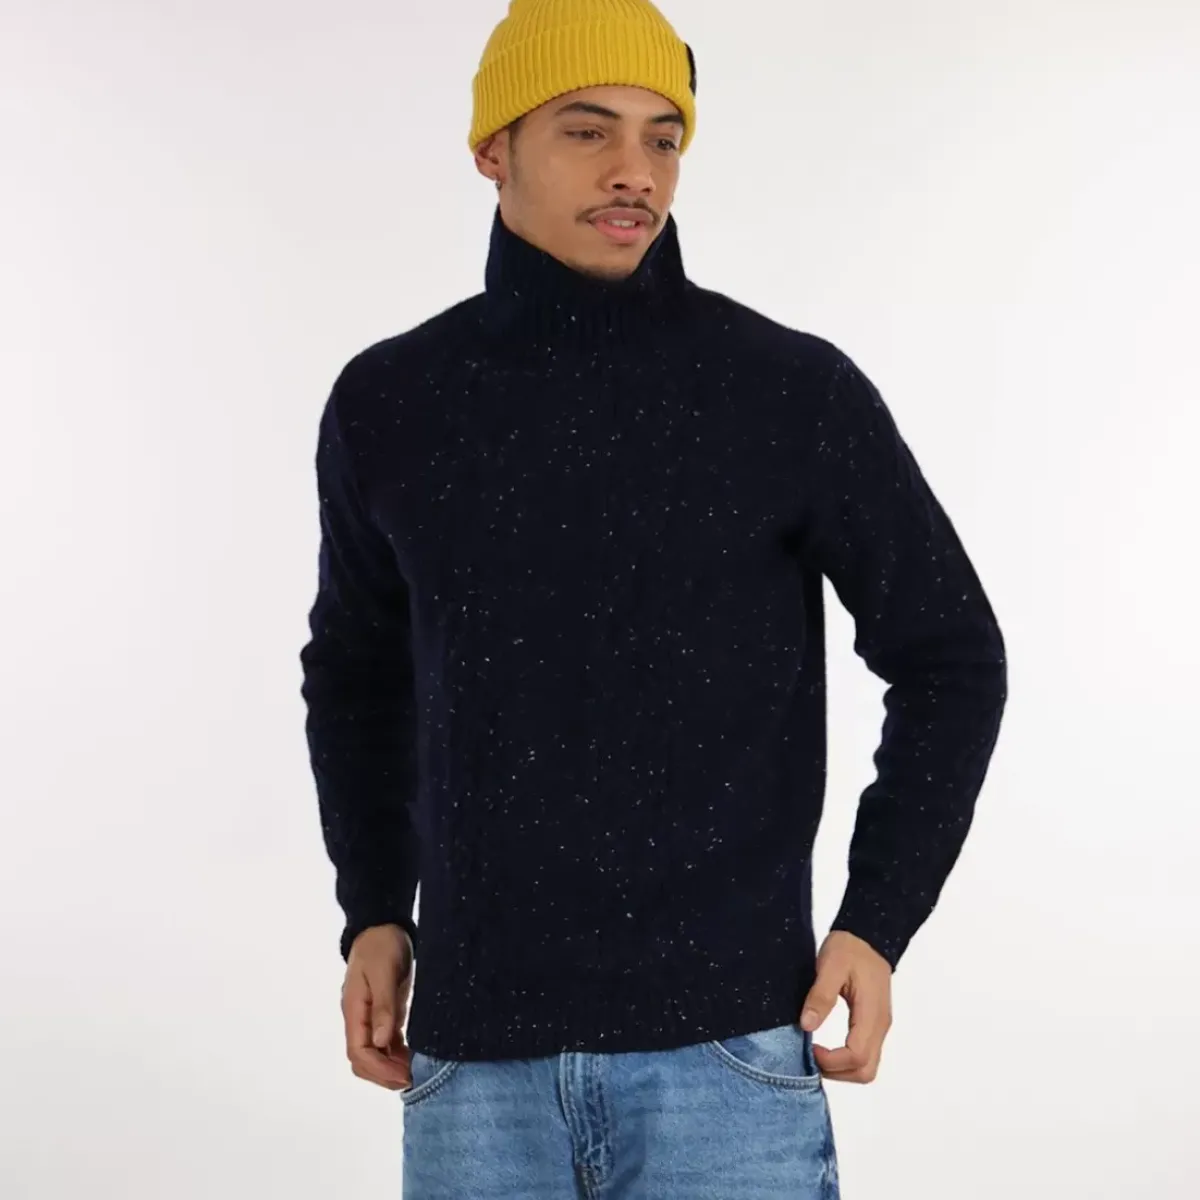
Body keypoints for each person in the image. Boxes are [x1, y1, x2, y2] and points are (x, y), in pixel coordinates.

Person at [298, 0, 1008, 1194]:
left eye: (663, 137)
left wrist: (877, 920)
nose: (636, 171)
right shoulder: (391, 402)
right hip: (474, 1068)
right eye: (588, 131)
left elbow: (950, 656)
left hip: (730, 1059)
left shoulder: (787, 392)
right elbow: (357, 677)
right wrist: (374, 909)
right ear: (492, 149)